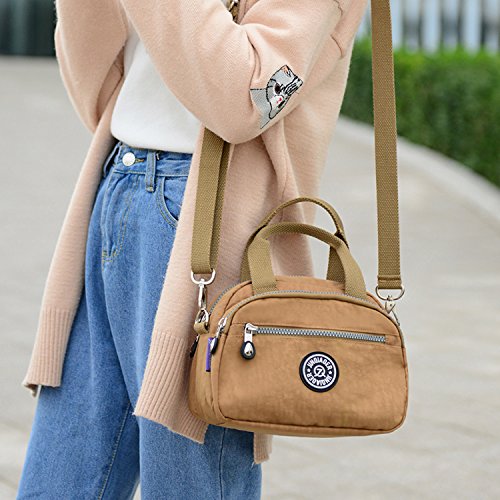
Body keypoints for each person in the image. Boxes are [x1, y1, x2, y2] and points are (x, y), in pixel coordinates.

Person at [17, 0, 368, 497]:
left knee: (190, 479)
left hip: (208, 219)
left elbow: (248, 97)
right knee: (59, 481)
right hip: (116, 178)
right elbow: (96, 88)